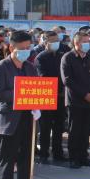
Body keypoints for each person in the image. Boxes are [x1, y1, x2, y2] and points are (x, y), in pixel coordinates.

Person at [0, 30, 42, 179]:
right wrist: (21, 93)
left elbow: (36, 88)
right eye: (23, 48)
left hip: (28, 119)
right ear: (12, 47)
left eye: (29, 47)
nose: (26, 51)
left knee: (27, 161)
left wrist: (37, 104)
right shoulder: (0, 67)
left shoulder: (30, 67)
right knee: (7, 162)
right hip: (9, 120)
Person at [60, 31, 90, 169]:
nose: (88, 44)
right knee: (75, 130)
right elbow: (67, 80)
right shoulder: (68, 58)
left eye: (88, 41)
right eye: (85, 41)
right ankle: (74, 158)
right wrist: (84, 94)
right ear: (76, 43)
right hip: (75, 101)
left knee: (86, 130)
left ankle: (84, 156)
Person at [35, 32, 66, 164]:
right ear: (45, 42)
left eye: (57, 40)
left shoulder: (61, 55)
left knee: (59, 127)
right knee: (45, 127)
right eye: (52, 41)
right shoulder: (40, 57)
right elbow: (42, 76)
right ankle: (44, 153)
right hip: (47, 95)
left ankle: (58, 153)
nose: (56, 43)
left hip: (60, 96)